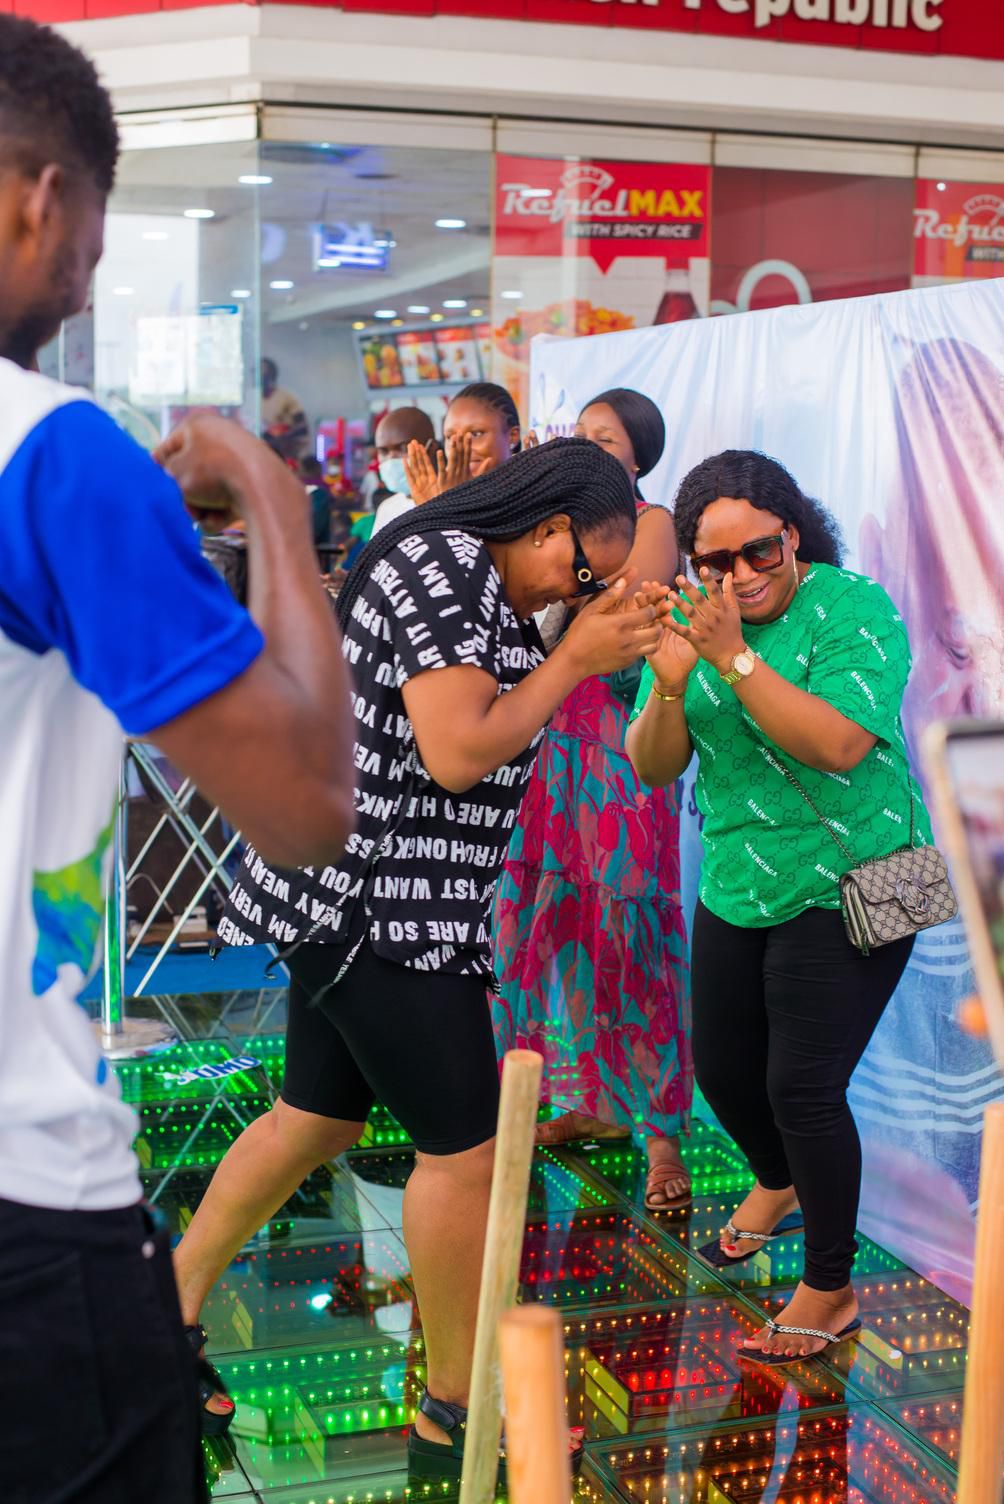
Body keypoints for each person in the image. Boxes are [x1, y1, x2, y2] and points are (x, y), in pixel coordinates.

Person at [0, 15, 355, 1501]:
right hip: (25, 1204)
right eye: (96, 225)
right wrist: (269, 492)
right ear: (46, 202)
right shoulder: (51, 454)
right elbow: (308, 805)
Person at [173, 438, 669, 1477]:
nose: (580, 593)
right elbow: (455, 749)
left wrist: (575, 640)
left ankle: (164, 1309)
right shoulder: (444, 566)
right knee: (467, 1152)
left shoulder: (461, 565)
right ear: (546, 528)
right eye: (583, 572)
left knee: (313, 1118)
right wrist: (574, 656)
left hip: (353, 896)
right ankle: (454, 1396)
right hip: (379, 909)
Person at [626, 449, 932, 1363]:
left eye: (758, 552)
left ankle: (829, 1290)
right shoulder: (692, 621)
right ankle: (776, 1182)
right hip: (740, 881)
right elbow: (652, 763)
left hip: (870, 877)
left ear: (790, 534)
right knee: (724, 1074)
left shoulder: (854, 607)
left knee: (801, 1086)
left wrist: (733, 657)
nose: (739, 577)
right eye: (714, 563)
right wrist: (677, 678)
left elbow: (839, 744)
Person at [493, 389, 692, 1211]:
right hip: (552, 741)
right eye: (579, 438)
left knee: (631, 925)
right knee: (549, 919)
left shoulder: (654, 519)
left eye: (604, 440)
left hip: (624, 741)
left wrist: (570, 579)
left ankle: (660, 1134)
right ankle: (580, 1100)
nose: (589, 449)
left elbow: (621, 597)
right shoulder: (551, 518)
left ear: (638, 457)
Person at [404, 381, 521, 501]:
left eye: (476, 434)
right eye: (450, 437)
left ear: (513, 435)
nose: (460, 447)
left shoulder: (529, 496)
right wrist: (431, 508)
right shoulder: (437, 496)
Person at [370, 405, 436, 535]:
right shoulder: (387, 509)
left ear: (431, 449)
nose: (391, 458)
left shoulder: (450, 505)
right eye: (383, 451)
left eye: (403, 448)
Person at [260, 356, 309, 462]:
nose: (260, 377)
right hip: (262, 453)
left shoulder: (286, 397)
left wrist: (281, 437)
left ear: (272, 376)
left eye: (264, 373)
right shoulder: (252, 399)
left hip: (285, 455)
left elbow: (302, 427)